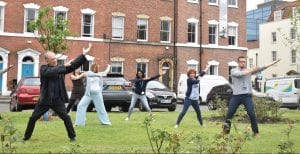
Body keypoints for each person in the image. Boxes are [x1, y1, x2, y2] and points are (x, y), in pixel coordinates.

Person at [23, 43, 92, 142]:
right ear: (47, 60)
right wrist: (64, 65)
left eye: (55, 58)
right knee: (33, 118)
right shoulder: (44, 68)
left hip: (57, 100)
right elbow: (51, 72)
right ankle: (26, 137)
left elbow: (72, 65)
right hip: (45, 99)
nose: (55, 60)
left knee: (66, 118)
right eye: (52, 59)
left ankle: (72, 137)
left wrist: (83, 55)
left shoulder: (61, 68)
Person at [223, 56, 280, 136]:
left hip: (247, 96)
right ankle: (225, 133)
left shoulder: (249, 70)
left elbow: (262, 68)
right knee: (229, 114)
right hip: (236, 96)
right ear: (238, 62)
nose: (243, 63)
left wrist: (273, 62)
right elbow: (240, 74)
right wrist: (252, 69)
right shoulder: (233, 70)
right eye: (241, 61)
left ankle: (256, 133)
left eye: (244, 61)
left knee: (252, 114)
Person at [174, 64, 211, 128]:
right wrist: (199, 78)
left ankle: (202, 124)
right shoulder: (189, 80)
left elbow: (202, 73)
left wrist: (207, 67)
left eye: (193, 73)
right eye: (191, 73)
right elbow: (196, 82)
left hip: (195, 99)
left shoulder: (196, 78)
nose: (192, 74)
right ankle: (177, 124)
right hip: (189, 99)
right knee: (184, 111)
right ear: (189, 74)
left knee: (198, 112)